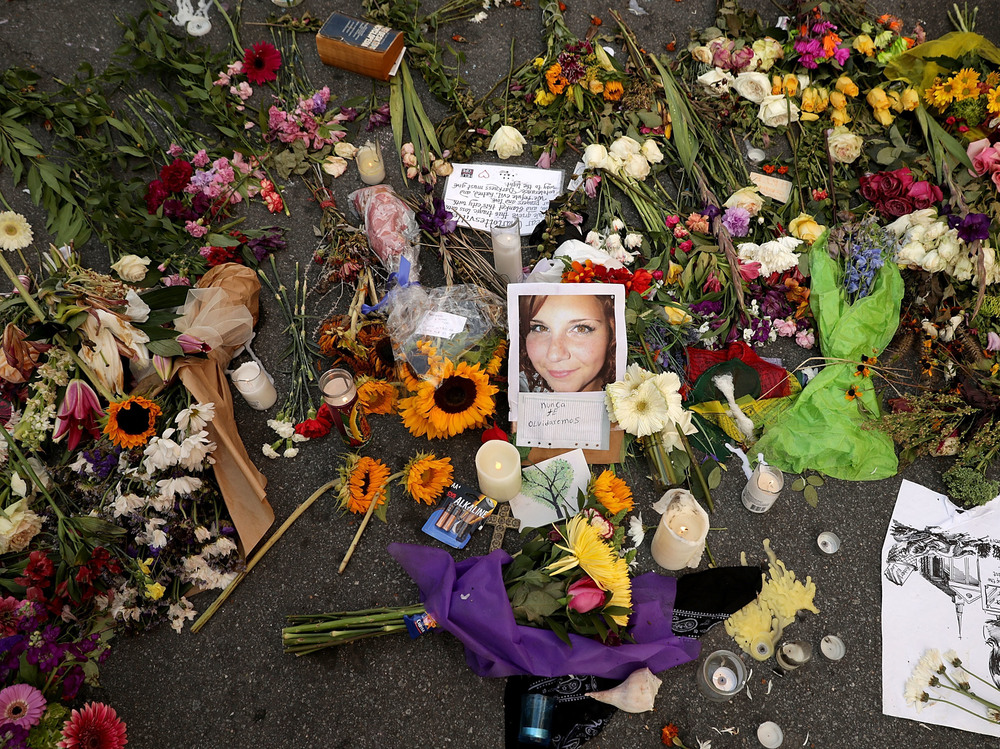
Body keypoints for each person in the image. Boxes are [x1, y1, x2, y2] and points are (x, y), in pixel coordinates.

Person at [519, 293, 616, 393]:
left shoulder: (630, 393)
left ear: (612, 330)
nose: (554, 356)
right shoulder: (514, 389)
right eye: (540, 328)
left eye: (581, 329)